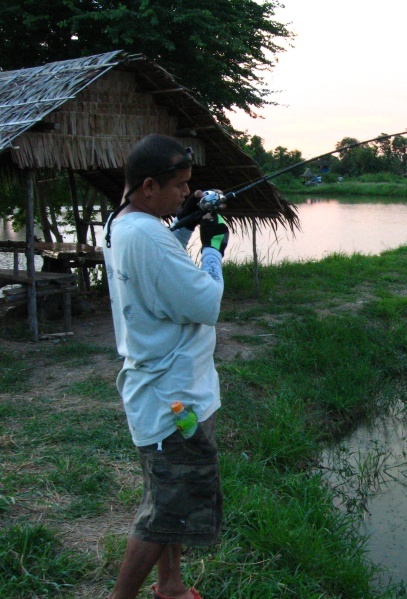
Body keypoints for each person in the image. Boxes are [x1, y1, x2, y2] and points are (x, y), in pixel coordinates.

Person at [103, 134, 230, 599]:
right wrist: (213, 247)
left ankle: (171, 586)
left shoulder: (124, 223)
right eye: (180, 187)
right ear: (150, 185)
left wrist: (185, 227)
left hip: (162, 388)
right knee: (164, 511)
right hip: (173, 398)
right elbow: (205, 302)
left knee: (170, 499)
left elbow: (156, 267)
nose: (185, 195)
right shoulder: (148, 236)